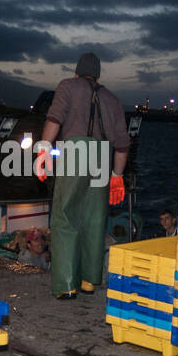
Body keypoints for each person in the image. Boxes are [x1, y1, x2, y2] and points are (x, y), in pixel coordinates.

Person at [35, 52, 130, 299]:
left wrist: (44, 150)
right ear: (97, 76)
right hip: (102, 155)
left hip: (74, 151)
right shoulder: (113, 99)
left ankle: (67, 285)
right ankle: (89, 280)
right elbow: (122, 144)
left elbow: (54, 118)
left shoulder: (67, 86)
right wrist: (117, 175)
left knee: (66, 216)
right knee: (95, 219)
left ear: (77, 72)